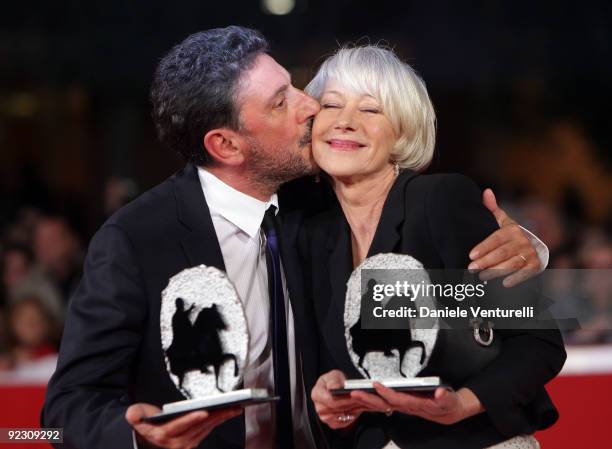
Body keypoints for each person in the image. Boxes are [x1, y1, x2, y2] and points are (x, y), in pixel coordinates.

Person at [42, 27, 548, 449]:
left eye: (298, 87)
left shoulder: (315, 206)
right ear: (226, 144)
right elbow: (61, 413)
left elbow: (522, 327)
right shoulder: (135, 240)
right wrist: (138, 438)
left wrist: (529, 248)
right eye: (283, 102)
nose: (313, 108)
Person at [302, 46, 566, 449]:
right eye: (331, 104)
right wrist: (334, 394)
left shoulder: (439, 201)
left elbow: (538, 341)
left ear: (402, 133)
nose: (345, 121)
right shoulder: (315, 233)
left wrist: (461, 403)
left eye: (371, 110)